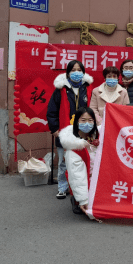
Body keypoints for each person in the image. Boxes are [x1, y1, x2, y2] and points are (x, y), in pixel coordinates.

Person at [46, 60, 93, 200]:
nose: (76, 73)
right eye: (73, 70)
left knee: (84, 159)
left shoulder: (88, 88)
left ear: (83, 72)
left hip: (85, 130)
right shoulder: (60, 89)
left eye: (79, 70)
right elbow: (52, 111)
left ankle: (81, 187)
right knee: (63, 161)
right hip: (65, 131)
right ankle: (62, 187)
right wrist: (54, 129)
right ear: (68, 72)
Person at [58, 107, 100, 215]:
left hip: (96, 176)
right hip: (81, 177)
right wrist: (83, 200)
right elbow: (77, 176)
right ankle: (77, 199)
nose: (87, 123)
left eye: (90, 120)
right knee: (91, 208)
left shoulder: (98, 135)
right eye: (83, 120)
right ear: (77, 121)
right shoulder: (73, 147)